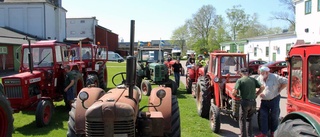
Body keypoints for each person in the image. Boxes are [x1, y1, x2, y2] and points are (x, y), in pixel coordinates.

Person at [255, 66, 288, 137]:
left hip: (274, 99)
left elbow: (286, 81)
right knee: (263, 116)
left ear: (267, 72)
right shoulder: (259, 78)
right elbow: (256, 86)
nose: (261, 74)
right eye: (261, 72)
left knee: (275, 116)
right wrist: (259, 92)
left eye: (263, 73)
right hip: (264, 101)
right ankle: (264, 133)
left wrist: (280, 89)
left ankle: (273, 132)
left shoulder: (275, 77)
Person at [232, 68, 264, 137]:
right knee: (249, 119)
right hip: (253, 102)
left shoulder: (240, 80)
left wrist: (236, 95)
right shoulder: (253, 80)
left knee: (242, 120)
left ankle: (243, 136)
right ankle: (250, 135)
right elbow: (262, 87)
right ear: (247, 73)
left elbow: (234, 92)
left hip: (245, 102)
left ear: (240, 73)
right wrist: (257, 94)